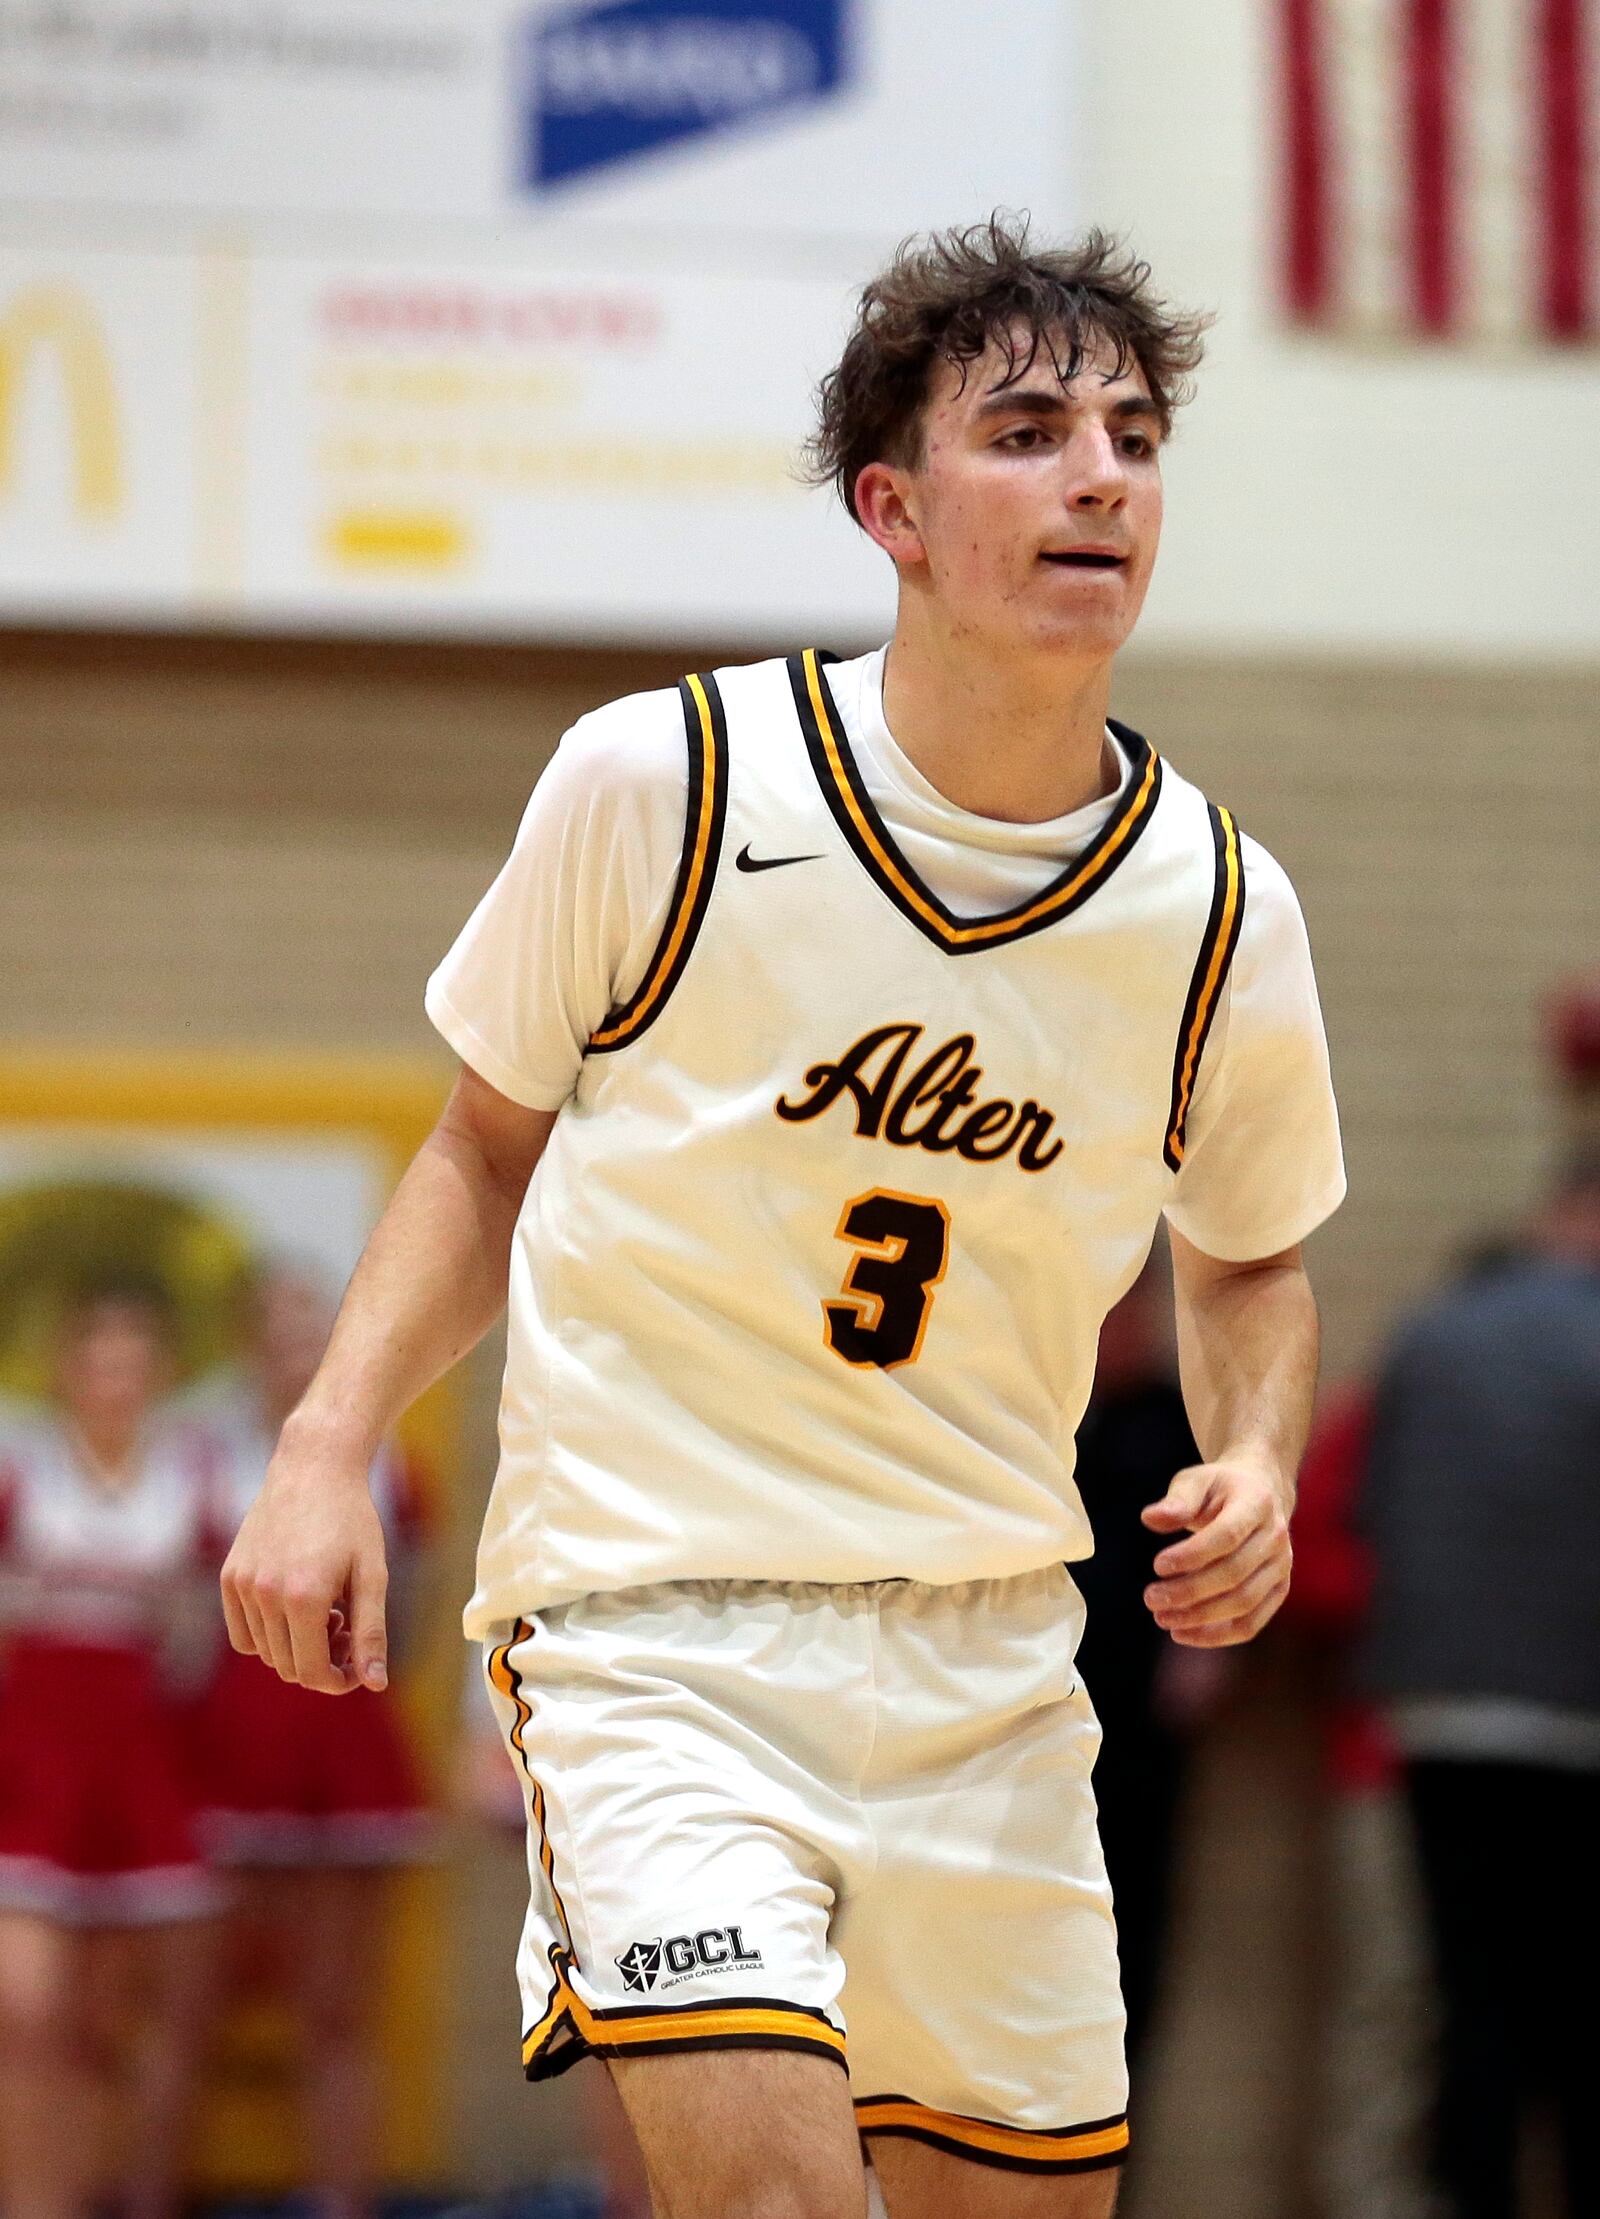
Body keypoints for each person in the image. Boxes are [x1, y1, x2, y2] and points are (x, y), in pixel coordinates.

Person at [222, 219, 1345, 2219]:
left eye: (1132, 435)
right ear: (890, 509)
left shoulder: (1216, 904)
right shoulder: (661, 780)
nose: (1098, 474)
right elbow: (484, 1146)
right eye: (1028, 431)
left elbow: (1248, 1248)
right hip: (659, 1626)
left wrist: (1253, 1450)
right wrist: (324, 1442)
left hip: (997, 1656)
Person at [1359, 1161, 1600, 2219]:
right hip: (1578, 1716)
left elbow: (1372, 1506)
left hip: (1439, 1711)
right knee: (1577, 2007)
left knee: (1469, 1994)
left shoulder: (1432, 1332)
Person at [193, 1261, 432, 2219]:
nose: (294, 1346)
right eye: (276, 1327)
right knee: (189, 2011)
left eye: (311, 1326)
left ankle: (344, 2203)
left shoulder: (388, 1461)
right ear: (245, 1342)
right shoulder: (201, 1456)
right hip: (223, 1760)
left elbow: (412, 1617)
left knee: (337, 2012)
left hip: (345, 1753)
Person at [0, 1278, 224, 2219]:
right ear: (65, 1370)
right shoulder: (19, 1466)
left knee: (110, 2024)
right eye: (98, 1361)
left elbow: (205, 1638)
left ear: (160, 1375)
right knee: (26, 2015)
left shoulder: (192, 1477)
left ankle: (115, 2198)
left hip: (141, 1761)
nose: (114, 1381)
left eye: (133, 1363)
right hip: (29, 1760)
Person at [1069, 1253, 1234, 2075]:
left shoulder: (1179, 1425)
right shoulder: (1036, 1419)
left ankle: (1118, 2111)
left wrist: (1208, 1648)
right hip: (1025, 1708)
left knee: (1130, 1920)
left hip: (1137, 1722)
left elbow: (1227, 1551)